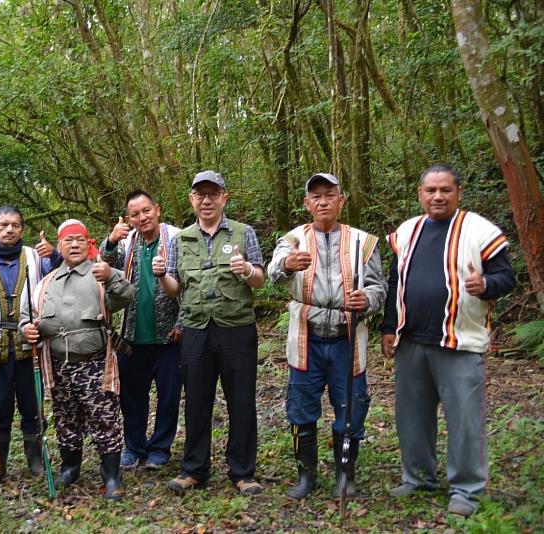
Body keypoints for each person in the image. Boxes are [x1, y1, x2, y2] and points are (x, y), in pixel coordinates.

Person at [380, 164, 515, 517]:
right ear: (420, 194)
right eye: (430, 190)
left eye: (445, 190)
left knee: (465, 419)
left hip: (460, 340)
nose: (437, 196)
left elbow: (506, 277)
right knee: (411, 416)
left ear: (458, 193)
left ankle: (467, 490)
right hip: (411, 341)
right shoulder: (407, 231)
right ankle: (419, 477)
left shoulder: (480, 231)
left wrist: (486, 285)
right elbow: (397, 283)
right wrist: (388, 327)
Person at [268, 173, 387, 500]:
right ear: (307, 204)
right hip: (306, 337)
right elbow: (273, 271)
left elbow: (379, 287)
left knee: (350, 408)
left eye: (329, 195)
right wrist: (289, 265)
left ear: (341, 201)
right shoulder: (293, 239)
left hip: (347, 339)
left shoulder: (363, 242)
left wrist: (368, 300)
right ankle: (306, 476)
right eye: (316, 196)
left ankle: (345, 476)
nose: (323, 201)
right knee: (301, 408)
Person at [153, 170, 266, 496]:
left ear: (224, 198)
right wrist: (161, 276)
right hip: (196, 330)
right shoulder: (180, 239)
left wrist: (246, 270)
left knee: (241, 400)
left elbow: (259, 279)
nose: (206, 200)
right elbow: (174, 289)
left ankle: (243, 472)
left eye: (213, 194)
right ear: (191, 199)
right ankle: (194, 469)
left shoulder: (244, 234)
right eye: (200, 194)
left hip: (236, 329)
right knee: (197, 402)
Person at [20, 219, 134, 501]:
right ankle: (70, 468)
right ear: (59, 246)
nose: (74, 245)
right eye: (68, 240)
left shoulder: (100, 275)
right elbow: (27, 317)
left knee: (104, 419)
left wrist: (110, 276)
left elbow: (126, 296)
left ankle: (111, 476)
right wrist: (27, 329)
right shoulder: (44, 284)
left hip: (95, 364)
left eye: (79, 240)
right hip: (59, 366)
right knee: (65, 420)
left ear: (88, 243)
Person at [0, 206, 61, 482]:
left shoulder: (38, 258)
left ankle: (35, 461)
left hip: (29, 346)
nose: (10, 230)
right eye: (4, 225)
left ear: (22, 229)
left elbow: (61, 278)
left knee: (32, 405)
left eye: (16, 225)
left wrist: (55, 255)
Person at [99, 190, 182, 470]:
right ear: (129, 218)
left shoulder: (178, 239)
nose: (142, 217)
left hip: (169, 335)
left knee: (168, 396)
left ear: (157, 209)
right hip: (132, 335)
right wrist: (111, 240)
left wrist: (182, 323)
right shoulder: (128, 244)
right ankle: (133, 447)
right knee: (132, 397)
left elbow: (190, 285)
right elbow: (104, 265)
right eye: (135, 214)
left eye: (146, 211)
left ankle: (160, 448)